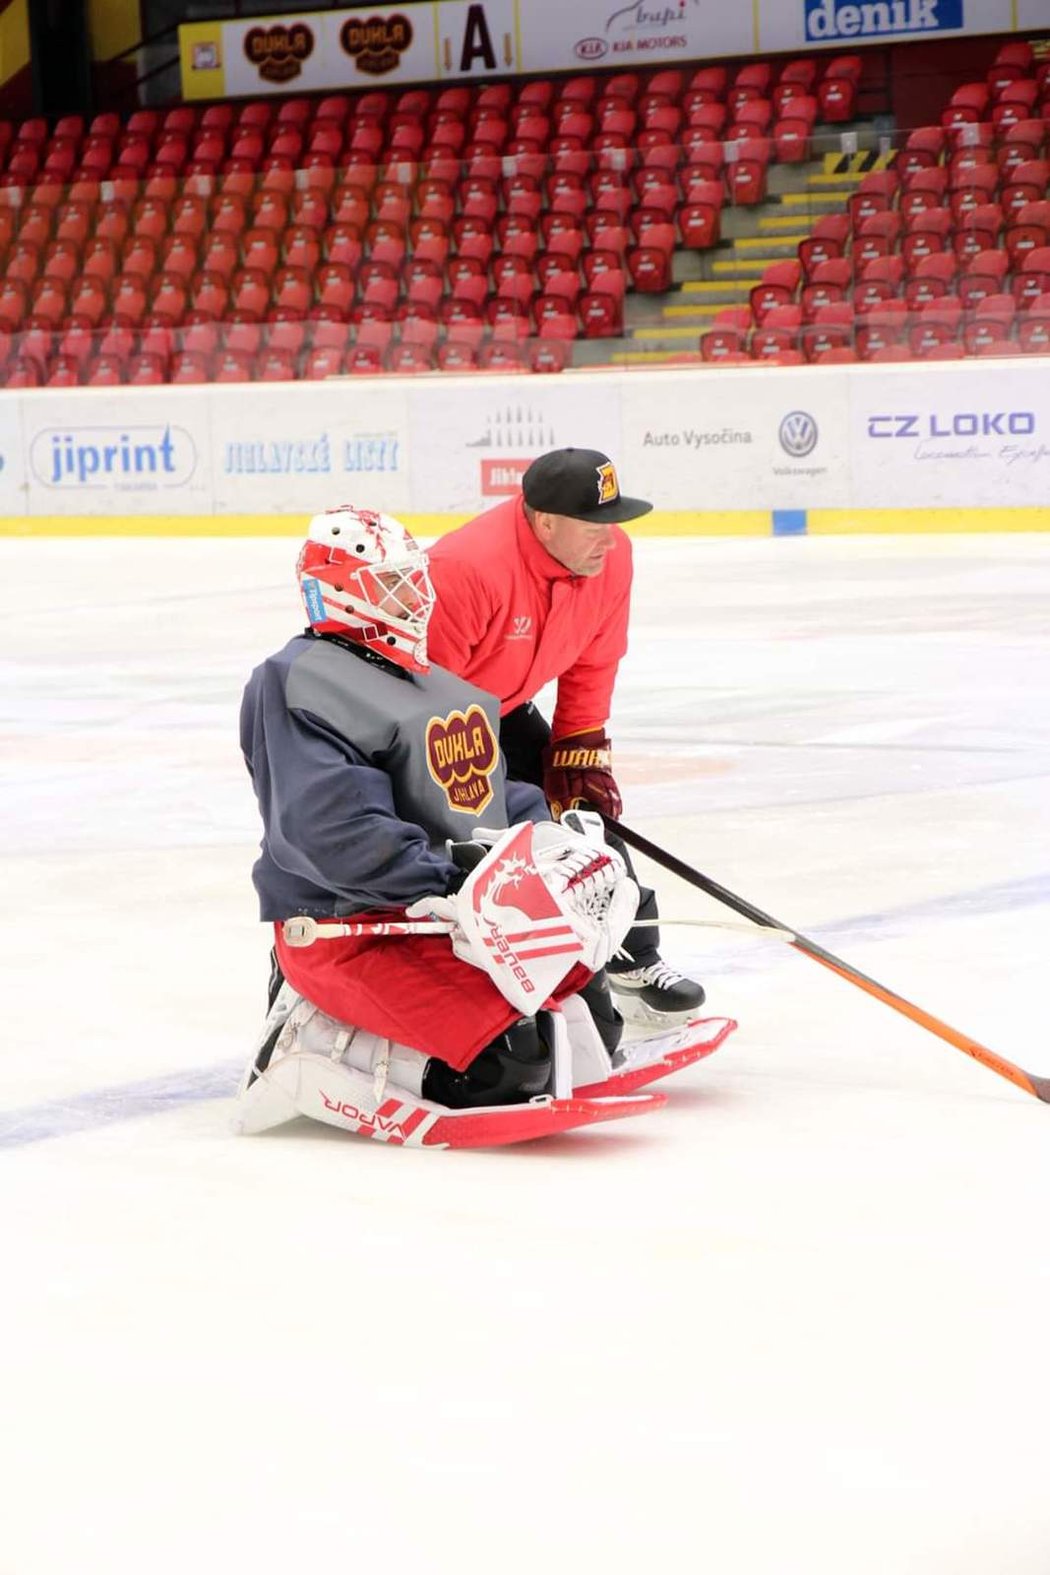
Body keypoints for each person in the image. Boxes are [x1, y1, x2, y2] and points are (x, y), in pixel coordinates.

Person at [234, 504, 654, 1148]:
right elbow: (330, 830)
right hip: (356, 926)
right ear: (339, 594)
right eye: (391, 585)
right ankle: (310, 1027)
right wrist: (457, 874)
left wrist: (550, 844)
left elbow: (491, 794)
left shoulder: (436, 681)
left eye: (414, 580)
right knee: (509, 1063)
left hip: (453, 916)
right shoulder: (298, 681)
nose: (415, 597)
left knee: (593, 1020)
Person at [426, 446, 705, 1025]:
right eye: (594, 526)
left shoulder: (610, 556)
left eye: (614, 521)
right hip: (445, 721)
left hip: (508, 707)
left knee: (583, 816)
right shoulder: (466, 568)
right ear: (544, 520)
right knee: (494, 839)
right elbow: (421, 690)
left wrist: (578, 748)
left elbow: (594, 661)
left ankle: (632, 953)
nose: (610, 538)